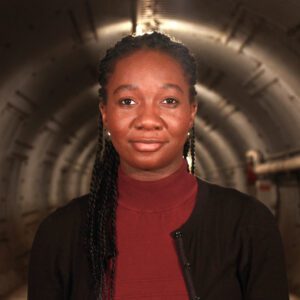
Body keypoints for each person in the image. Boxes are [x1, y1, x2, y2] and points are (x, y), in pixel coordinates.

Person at [28, 32, 289, 300]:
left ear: (191, 113)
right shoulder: (60, 235)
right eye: (128, 101)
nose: (148, 120)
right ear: (105, 113)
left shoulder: (248, 226)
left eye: (169, 101)